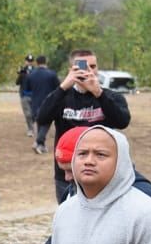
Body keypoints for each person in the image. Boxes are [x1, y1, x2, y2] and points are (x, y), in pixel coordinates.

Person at [35, 49, 130, 201]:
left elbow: (122, 121)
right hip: (67, 174)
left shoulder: (109, 96)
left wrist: (99, 94)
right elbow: (42, 118)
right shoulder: (63, 96)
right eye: (83, 67)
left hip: (101, 172)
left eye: (93, 66)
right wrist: (63, 86)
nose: (89, 71)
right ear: (71, 70)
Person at [27, 55, 59, 155]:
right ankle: (38, 142)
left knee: (39, 122)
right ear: (46, 61)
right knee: (46, 123)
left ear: (36, 62)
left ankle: (42, 145)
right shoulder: (52, 74)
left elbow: (27, 88)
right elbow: (58, 88)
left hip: (35, 102)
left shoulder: (31, 74)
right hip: (48, 102)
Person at [17, 54, 36, 136]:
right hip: (24, 94)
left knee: (34, 113)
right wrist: (20, 74)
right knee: (27, 113)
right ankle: (30, 129)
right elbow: (17, 82)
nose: (29, 63)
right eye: (28, 61)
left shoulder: (36, 71)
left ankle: (33, 126)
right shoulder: (22, 71)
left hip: (34, 95)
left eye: (31, 61)